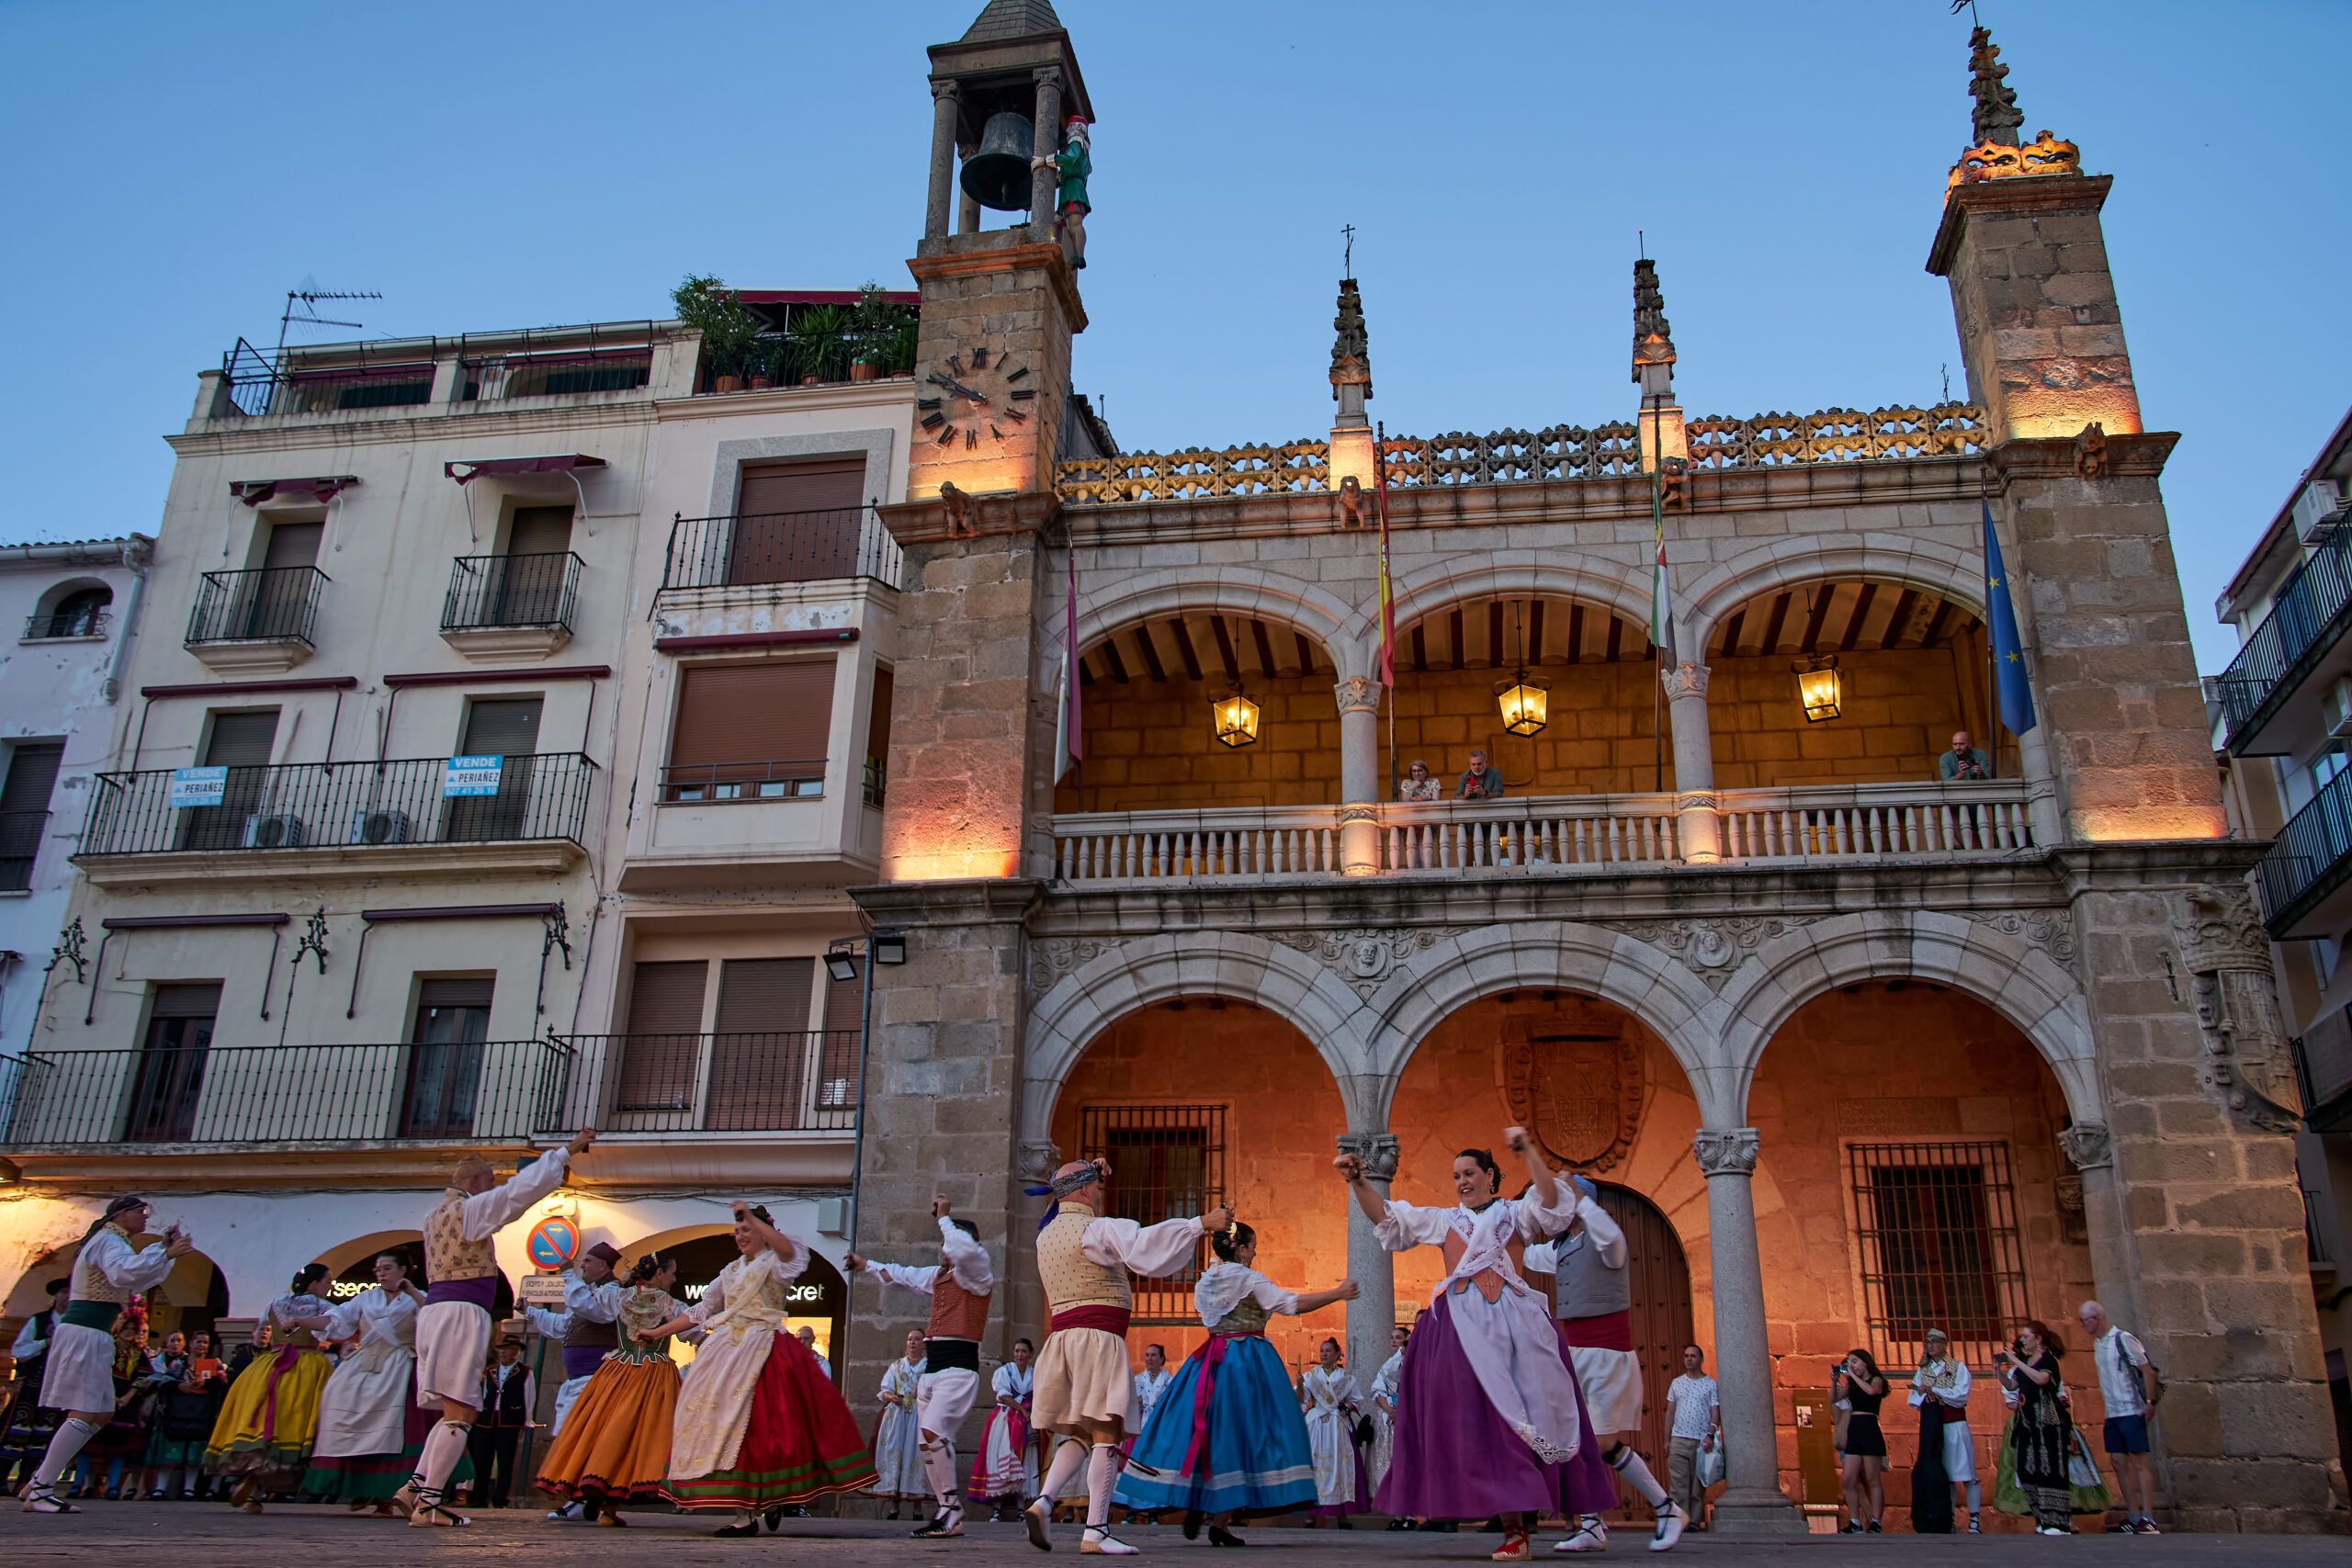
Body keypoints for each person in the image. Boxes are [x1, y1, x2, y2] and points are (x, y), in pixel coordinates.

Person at [1339, 1132, 1612, 1564]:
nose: (1462, 1181)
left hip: (1515, 1328)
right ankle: (1506, 1523)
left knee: (1520, 1421)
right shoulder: (1444, 1219)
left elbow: (1551, 1201)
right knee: (1474, 1423)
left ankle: (1528, 1526)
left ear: (1489, 1175)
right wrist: (1358, 1181)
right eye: (1456, 1176)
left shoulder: (1515, 1213)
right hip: (1460, 1330)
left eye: (1469, 1173)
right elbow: (1387, 1217)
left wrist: (1530, 1153)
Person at [1020, 1157, 1229, 1556]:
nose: (1101, 1193)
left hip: (1063, 1342)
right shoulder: (1095, 1230)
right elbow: (1144, 1245)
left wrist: (1094, 1170)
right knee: (1106, 1433)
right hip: (1097, 1340)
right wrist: (1200, 1223)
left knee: (1081, 1432)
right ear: (1084, 1190)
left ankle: (1043, 1502)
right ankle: (1096, 1530)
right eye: (1097, 1188)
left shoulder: (1045, 1236)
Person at [1113, 1217, 1355, 1544]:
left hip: (1209, 1361)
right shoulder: (1249, 1279)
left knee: (1211, 1431)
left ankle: (1212, 1512)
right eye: (1252, 1247)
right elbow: (1290, 1304)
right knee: (1251, 1433)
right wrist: (1337, 1293)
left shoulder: (1207, 1280)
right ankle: (1217, 1514)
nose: (1254, 1253)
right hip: (1248, 1362)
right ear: (1240, 1249)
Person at [643, 1201, 876, 1536]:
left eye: (747, 1230)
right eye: (738, 1231)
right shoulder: (730, 1272)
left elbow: (789, 1250)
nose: (741, 1236)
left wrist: (753, 1218)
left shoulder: (777, 1263)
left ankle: (772, 1497)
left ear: (765, 1233)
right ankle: (744, 1514)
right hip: (728, 1352)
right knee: (729, 1428)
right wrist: (657, 1333)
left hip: (767, 1350)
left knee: (768, 1429)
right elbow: (701, 1310)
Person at [401, 1125, 594, 1528]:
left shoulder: (433, 1216)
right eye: (489, 1180)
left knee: (450, 1409)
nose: (493, 1186)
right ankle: (430, 1502)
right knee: (462, 1410)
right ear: (474, 1182)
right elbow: (514, 1195)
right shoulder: (467, 1211)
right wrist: (565, 1152)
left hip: (435, 1311)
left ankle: (415, 1487)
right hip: (460, 1312)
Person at [1525, 1177, 1688, 1552]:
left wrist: (1578, 1197)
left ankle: (1665, 1508)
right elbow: (1526, 1255)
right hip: (1576, 1355)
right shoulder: (1562, 1247)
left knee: (1598, 1442)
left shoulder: (1608, 1242)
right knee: (1578, 1441)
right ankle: (1593, 1525)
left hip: (1608, 1354)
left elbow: (1607, 1232)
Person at [18, 1198, 189, 1515]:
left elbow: (136, 1278)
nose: (145, 1218)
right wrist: (165, 1253)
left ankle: (39, 1480)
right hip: (86, 1332)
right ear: (121, 1215)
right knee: (86, 1411)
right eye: (141, 1212)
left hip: (92, 1333)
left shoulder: (112, 1241)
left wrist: (162, 1250)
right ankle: (42, 1488)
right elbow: (125, 1273)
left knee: (101, 1412)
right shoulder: (109, 1240)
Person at [849, 1194, 998, 1539]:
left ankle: (951, 1507)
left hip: (958, 1368)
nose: (945, 1246)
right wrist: (865, 1265)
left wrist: (944, 1218)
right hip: (933, 1370)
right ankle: (946, 1509)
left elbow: (966, 1251)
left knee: (933, 1433)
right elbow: (902, 1274)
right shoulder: (939, 1275)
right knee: (927, 1443)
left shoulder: (978, 1275)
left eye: (949, 1240)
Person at [533, 1250, 690, 1529]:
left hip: (617, 1372)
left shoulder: (616, 1295)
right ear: (658, 1274)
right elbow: (694, 1331)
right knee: (644, 1438)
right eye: (672, 1273)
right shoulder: (672, 1306)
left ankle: (603, 1501)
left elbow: (585, 1306)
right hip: (654, 1376)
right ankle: (612, 1504)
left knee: (606, 1433)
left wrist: (614, 1281)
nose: (674, 1278)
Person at [301, 1249, 447, 1514]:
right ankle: (362, 1486)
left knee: (399, 1428)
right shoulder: (366, 1298)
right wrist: (301, 1320)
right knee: (342, 1406)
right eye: (378, 1270)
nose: (381, 1274)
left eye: (387, 1268)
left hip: (400, 1365)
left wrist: (412, 1292)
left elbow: (434, 1319)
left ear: (403, 1270)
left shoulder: (417, 1298)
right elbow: (336, 1320)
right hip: (364, 1363)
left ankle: (392, 1495)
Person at [203, 1262, 336, 1510]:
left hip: (269, 1364)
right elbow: (337, 1328)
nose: (330, 1286)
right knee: (297, 1422)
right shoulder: (324, 1307)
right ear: (314, 1283)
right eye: (327, 1281)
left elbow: (263, 1323)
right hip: (306, 1367)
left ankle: (254, 1487)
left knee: (266, 1419)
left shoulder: (275, 1304)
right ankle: (259, 1487)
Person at [2078, 1300, 2162, 1534]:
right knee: (2118, 1462)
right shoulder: (2098, 1345)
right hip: (2112, 1413)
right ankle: (2134, 1516)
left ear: (2097, 1318)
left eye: (2085, 1321)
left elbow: (2147, 1370)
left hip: (2131, 1410)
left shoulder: (2123, 1339)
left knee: (2138, 1461)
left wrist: (2150, 1402)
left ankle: (2148, 1517)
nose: (2083, 1326)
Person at [1994, 1322, 2075, 1535]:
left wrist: (2015, 1361)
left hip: (2047, 1420)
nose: (2022, 1340)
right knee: (2027, 1469)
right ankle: (2041, 1517)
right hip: (2027, 1421)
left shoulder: (2048, 1360)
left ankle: (2057, 1521)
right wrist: (1998, 1370)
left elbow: (2041, 1379)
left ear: (2038, 1339)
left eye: (2026, 1336)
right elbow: (2011, 1385)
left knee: (2050, 1468)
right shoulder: (2025, 1363)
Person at [1907, 1329, 1979, 1534]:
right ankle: (1949, 1519)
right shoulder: (1924, 1369)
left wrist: (1934, 1390)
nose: (1930, 1345)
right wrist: (1926, 1395)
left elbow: (1960, 1395)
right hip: (1934, 1427)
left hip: (1955, 1425)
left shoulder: (1957, 1367)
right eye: (1927, 1342)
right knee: (1944, 1474)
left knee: (1967, 1473)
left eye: (1934, 1341)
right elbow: (1914, 1397)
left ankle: (1975, 1520)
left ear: (1944, 1344)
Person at [3, 1280, 70, 1491]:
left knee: (43, 1435)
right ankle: (1, 1479)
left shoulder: (74, 1325)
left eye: (71, 1292)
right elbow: (19, 1351)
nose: (67, 1296)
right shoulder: (39, 1320)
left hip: (57, 1389)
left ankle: (25, 1481)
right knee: (17, 1432)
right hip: (31, 1387)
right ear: (56, 1296)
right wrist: (44, 1343)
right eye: (64, 1292)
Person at [144, 1331, 222, 1499]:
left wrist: (205, 1383)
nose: (202, 1345)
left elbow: (222, 1385)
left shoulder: (214, 1364)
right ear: (191, 1343)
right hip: (177, 1412)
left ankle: (189, 1488)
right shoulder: (179, 1363)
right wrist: (178, 1386)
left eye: (205, 1342)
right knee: (171, 1450)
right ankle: (161, 1488)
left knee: (195, 1451)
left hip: (202, 1413)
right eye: (198, 1341)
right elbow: (163, 1382)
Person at [1300, 1336, 1368, 1527]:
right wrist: (1299, 1386)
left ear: (1338, 1354)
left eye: (1328, 1350)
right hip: (1317, 1426)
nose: (1324, 1354)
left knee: (1342, 1466)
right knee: (1316, 1465)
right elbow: (1302, 1400)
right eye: (1322, 1350)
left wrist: (1347, 1406)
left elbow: (1356, 1401)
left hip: (1338, 1426)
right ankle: (1312, 1514)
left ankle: (1342, 1513)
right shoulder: (1311, 1377)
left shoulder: (1346, 1379)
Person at [972, 1337, 1037, 1521]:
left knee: (1024, 1462)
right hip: (1004, 1420)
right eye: (1017, 1351)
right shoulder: (1004, 1372)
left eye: (1024, 1351)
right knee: (1000, 1459)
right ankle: (997, 1509)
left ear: (1031, 1354)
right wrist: (1022, 1410)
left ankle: (1021, 1508)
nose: (1020, 1355)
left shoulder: (1035, 1374)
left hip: (1025, 1423)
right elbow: (1003, 1396)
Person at [868, 1331, 928, 1520]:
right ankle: (894, 1504)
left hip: (919, 1414)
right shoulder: (896, 1366)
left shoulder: (929, 1367)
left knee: (916, 1454)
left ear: (924, 1344)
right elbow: (885, 1390)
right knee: (895, 1453)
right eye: (910, 1339)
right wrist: (892, 1397)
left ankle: (918, 1506)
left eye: (917, 1339)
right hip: (897, 1416)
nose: (913, 1343)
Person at [469, 1336, 532, 1508]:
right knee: (482, 1460)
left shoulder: (525, 1372)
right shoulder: (491, 1371)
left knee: (505, 1461)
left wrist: (526, 1420)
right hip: (487, 1420)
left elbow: (529, 1396)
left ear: (517, 1352)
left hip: (509, 1421)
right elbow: (484, 1393)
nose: (503, 1352)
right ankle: (478, 1497)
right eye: (501, 1349)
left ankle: (500, 1498)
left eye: (508, 1348)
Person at [1662, 1346, 1720, 1533]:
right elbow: (1670, 1412)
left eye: (1693, 1356)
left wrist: (1711, 1434)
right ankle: (1680, 1521)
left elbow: (1714, 1411)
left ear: (1701, 1359)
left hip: (1701, 1441)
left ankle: (1694, 1522)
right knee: (1678, 1485)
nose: (1689, 1359)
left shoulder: (1710, 1384)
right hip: (1678, 1439)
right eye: (1686, 1356)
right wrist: (1667, 1440)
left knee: (1697, 1486)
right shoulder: (1676, 1383)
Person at [1832, 1348, 1887, 1533]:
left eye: (1854, 1362)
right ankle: (1855, 1521)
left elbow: (1872, 1391)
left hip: (1869, 1427)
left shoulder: (1876, 1379)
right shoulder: (1851, 1385)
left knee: (1872, 1478)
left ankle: (1876, 1521)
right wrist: (1834, 1381)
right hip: (1854, 1429)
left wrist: (1853, 1377)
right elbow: (1834, 1399)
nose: (1851, 1366)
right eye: (1849, 1363)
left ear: (1865, 1362)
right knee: (1848, 1478)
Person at [1030, 114, 1091, 268]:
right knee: (1062, 222)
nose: (1068, 131)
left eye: (1070, 127)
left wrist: (1045, 160)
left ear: (1077, 129)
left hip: (1072, 191)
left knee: (1075, 223)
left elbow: (1068, 160)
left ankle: (1079, 256)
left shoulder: (1076, 144)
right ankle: (1061, 251)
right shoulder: (1083, 152)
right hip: (1071, 189)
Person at [1369, 1324, 1408, 1506]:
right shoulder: (1390, 1363)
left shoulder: (1410, 1360)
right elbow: (1378, 1389)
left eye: (1398, 1338)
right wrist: (1388, 1409)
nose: (1394, 1341)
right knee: (1386, 1459)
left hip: (1406, 1414)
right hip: (1389, 1415)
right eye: (1392, 1337)